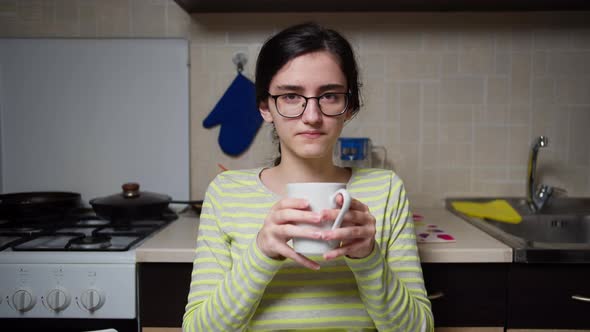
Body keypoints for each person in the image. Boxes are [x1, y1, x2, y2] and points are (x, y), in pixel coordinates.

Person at [183, 22, 433, 332]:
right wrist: (261, 251)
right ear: (265, 107)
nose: (311, 116)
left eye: (329, 96)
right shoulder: (226, 192)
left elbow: (418, 329)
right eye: (291, 96)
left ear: (349, 106)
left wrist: (369, 257)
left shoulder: (386, 189)